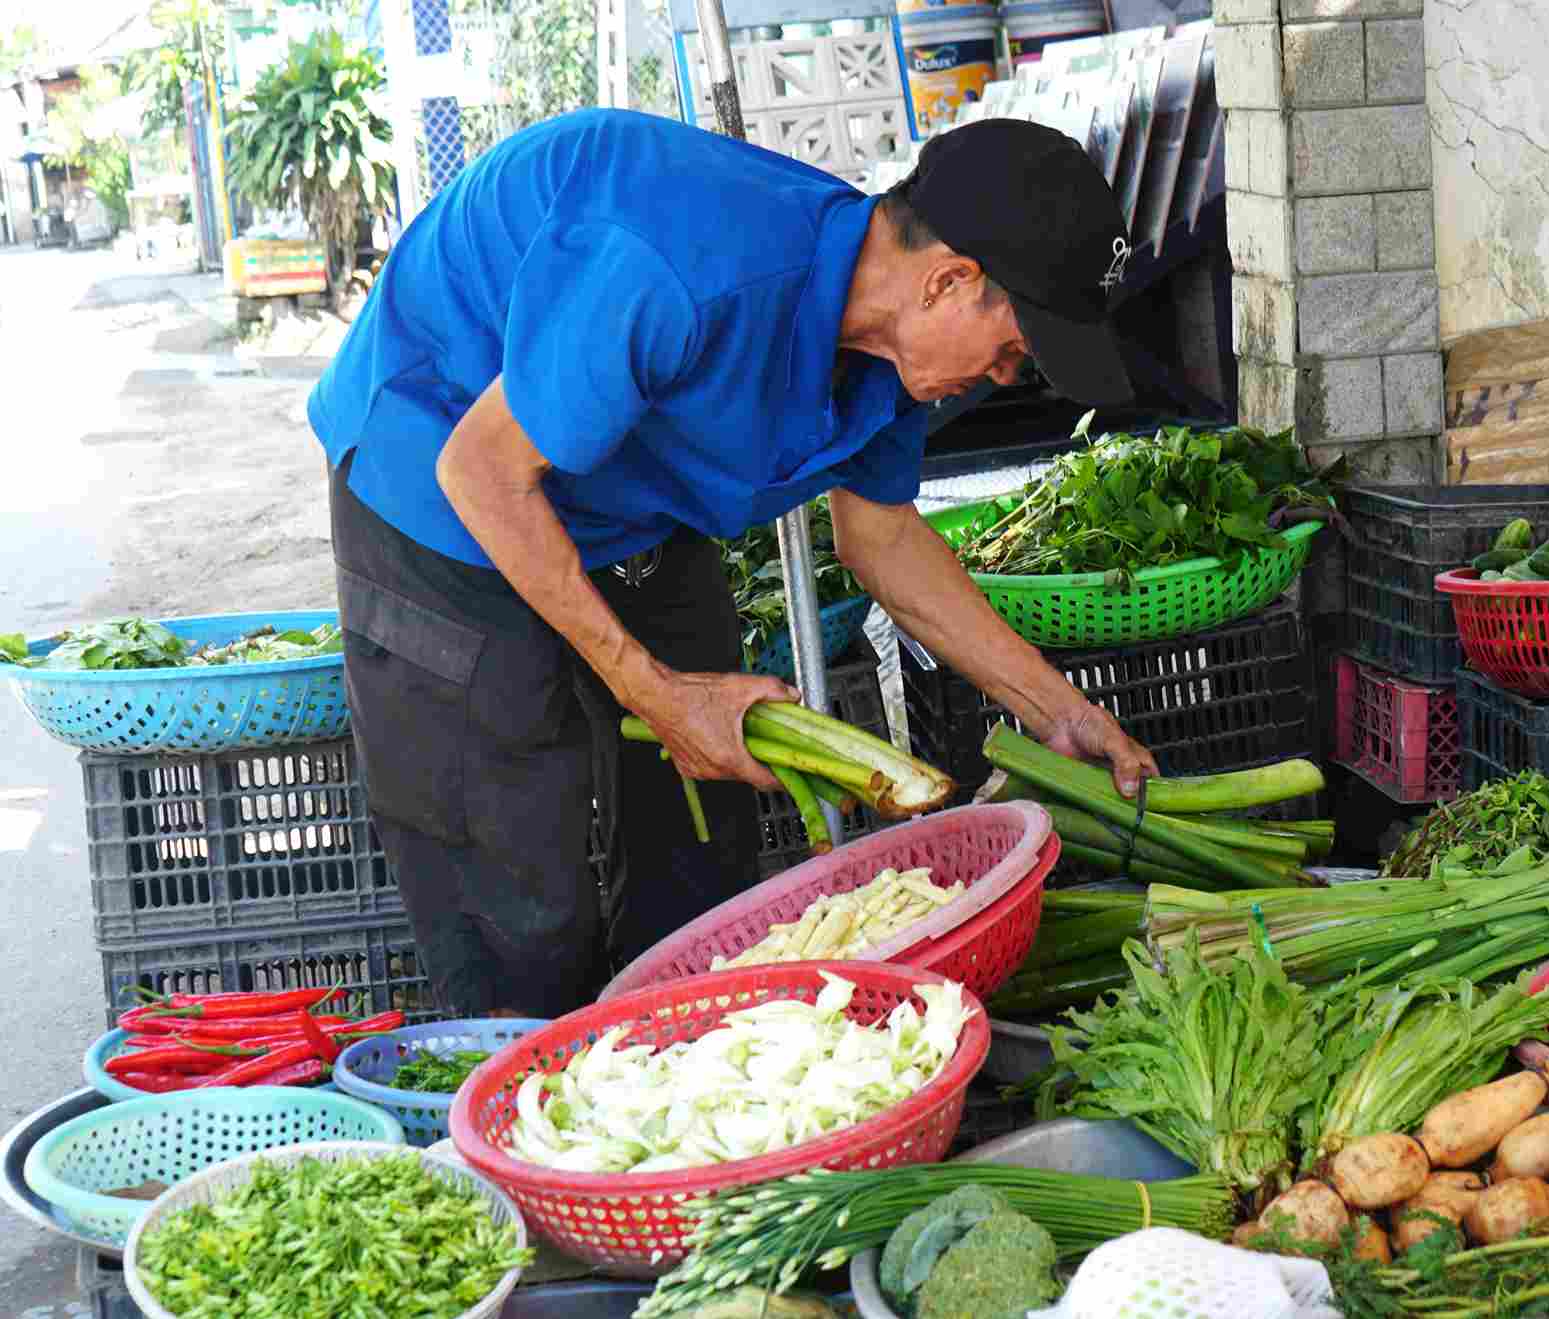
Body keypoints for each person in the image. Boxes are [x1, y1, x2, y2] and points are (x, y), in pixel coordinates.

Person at [308, 108, 1160, 1019]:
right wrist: (654, 691)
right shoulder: (681, 264)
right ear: (949, 281)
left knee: (702, 850)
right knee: (519, 883)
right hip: (445, 474)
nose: (1002, 378)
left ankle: (680, 1072)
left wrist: (1054, 709)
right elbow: (482, 471)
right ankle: (531, 1107)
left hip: (619, 497)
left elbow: (880, 539)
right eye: (1011, 350)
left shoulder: (886, 355)